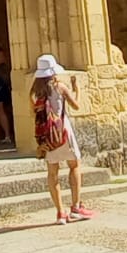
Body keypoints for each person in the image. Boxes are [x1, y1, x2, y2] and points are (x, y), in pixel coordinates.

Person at [31, 54, 95, 224]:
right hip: (62, 130)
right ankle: (75, 206)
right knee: (74, 165)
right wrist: (77, 89)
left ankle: (60, 212)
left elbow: (35, 113)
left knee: (52, 172)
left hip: (47, 135)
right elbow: (76, 105)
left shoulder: (34, 93)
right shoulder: (60, 87)